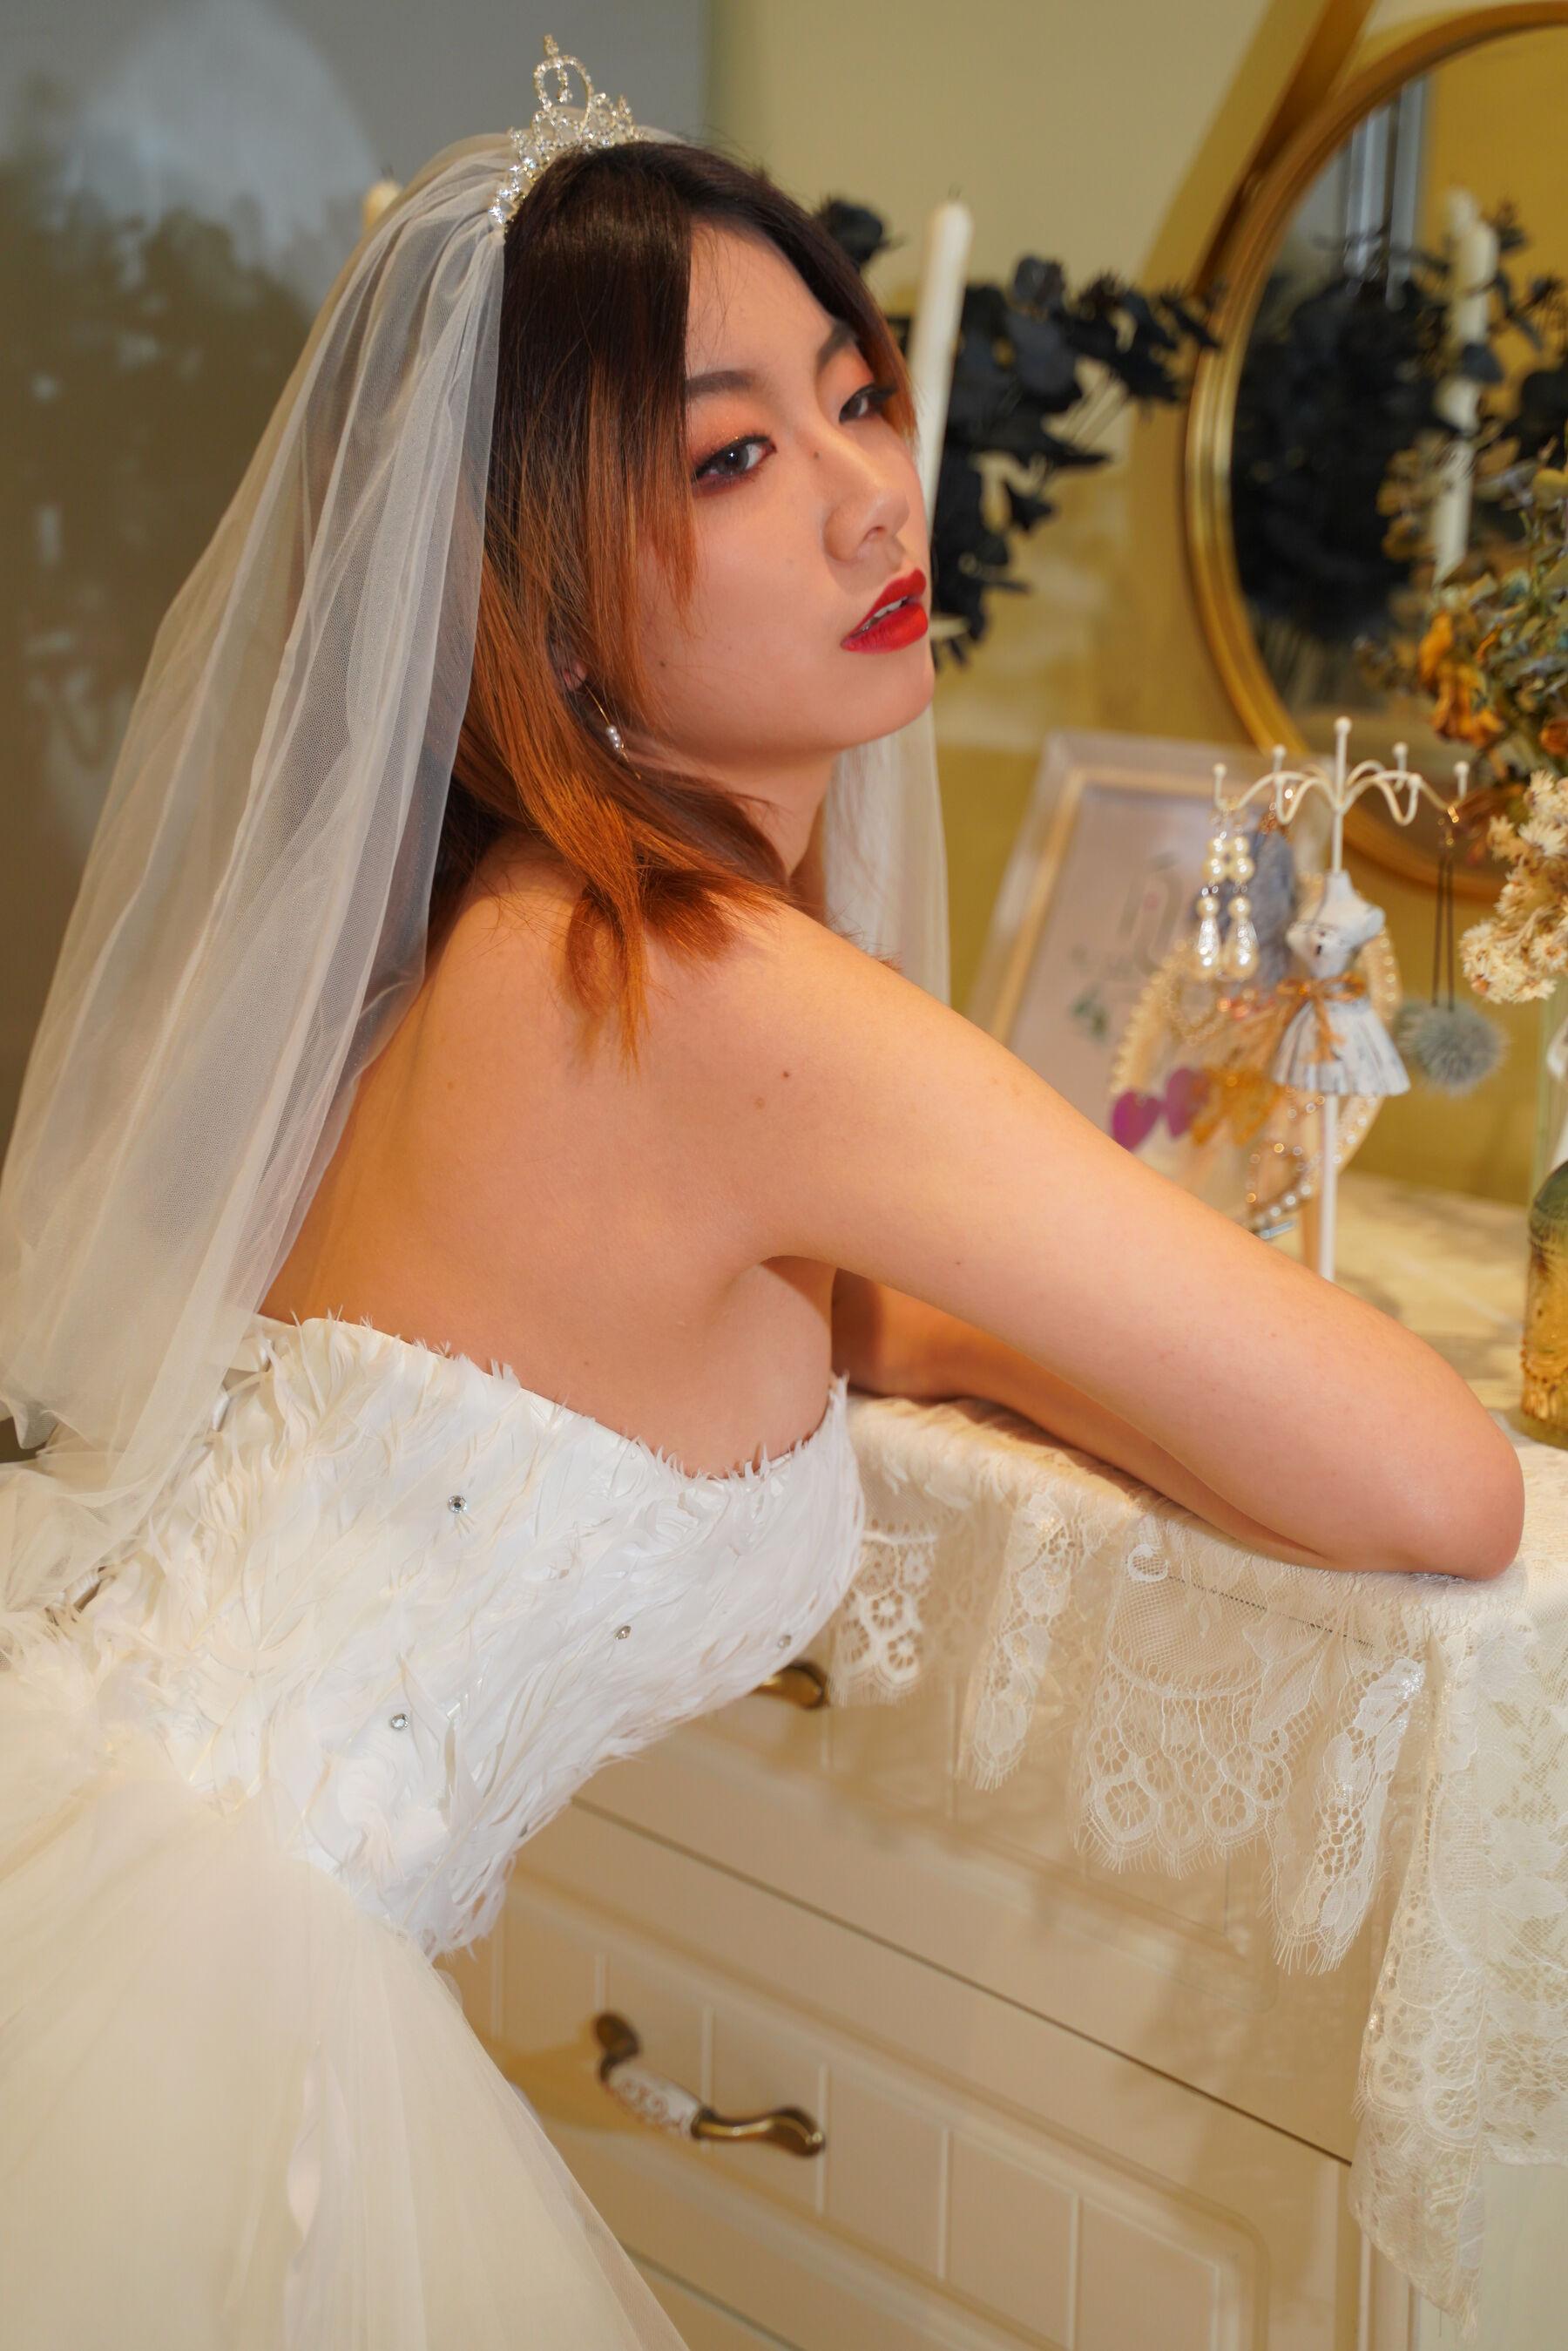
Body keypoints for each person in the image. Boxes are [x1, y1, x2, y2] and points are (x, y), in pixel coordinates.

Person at [0, 38, 1524, 2351]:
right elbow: (1442, 1479)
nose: (867, 499)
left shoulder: (500, 943)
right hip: (214, 2021)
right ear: (543, 607)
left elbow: (781, 1307)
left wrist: (981, 1331)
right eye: (730, 455)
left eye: (853, 395)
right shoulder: (712, 991)